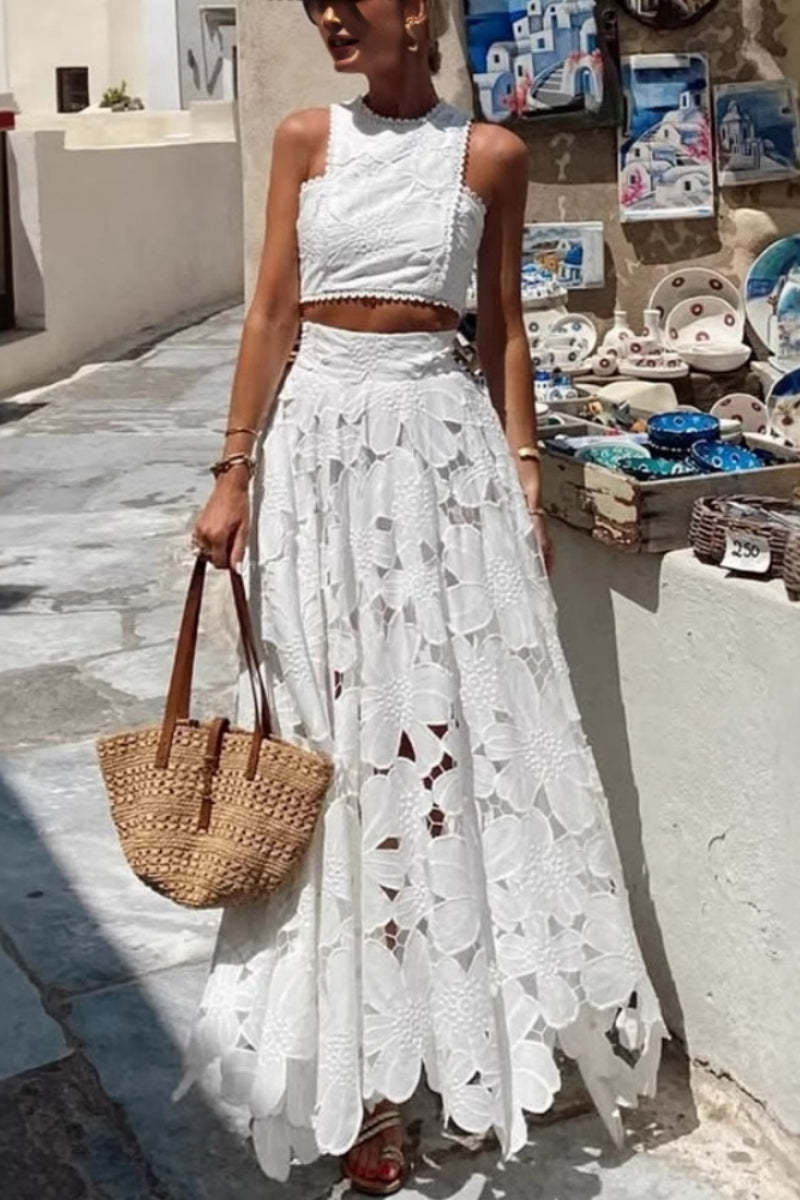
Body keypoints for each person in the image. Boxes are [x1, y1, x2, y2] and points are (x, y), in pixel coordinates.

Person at [184, 0, 667, 1194]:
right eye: (315, 6)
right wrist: (232, 468)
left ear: (414, 13)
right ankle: (356, 1074)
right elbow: (270, 312)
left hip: (440, 452)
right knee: (328, 744)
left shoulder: (488, 154)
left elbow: (499, 326)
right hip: (315, 452)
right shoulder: (304, 138)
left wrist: (520, 472)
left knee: (446, 739)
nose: (329, 18)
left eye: (349, 1)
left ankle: (456, 1046)